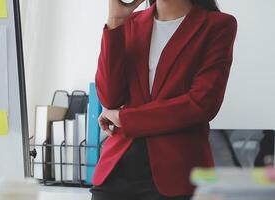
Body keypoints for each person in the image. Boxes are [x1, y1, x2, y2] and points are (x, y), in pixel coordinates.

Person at [90, 0, 237, 199]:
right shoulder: (129, 22)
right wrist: (115, 20)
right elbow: (110, 97)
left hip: (178, 173)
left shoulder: (217, 25)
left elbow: (201, 103)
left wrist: (126, 118)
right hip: (115, 172)